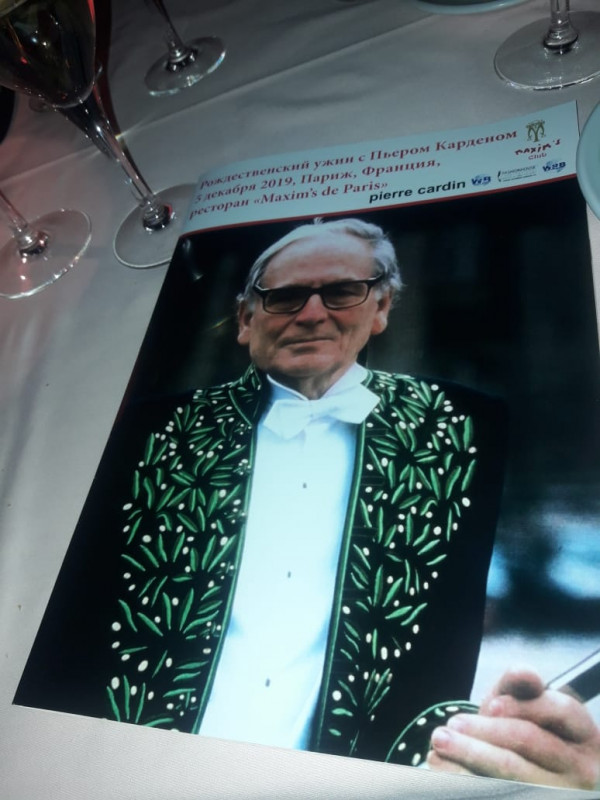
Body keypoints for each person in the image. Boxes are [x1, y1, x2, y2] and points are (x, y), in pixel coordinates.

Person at [15, 218, 600, 789]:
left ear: (381, 309)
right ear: (246, 320)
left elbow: (442, 635)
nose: (313, 313)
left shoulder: (456, 427)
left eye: (341, 292)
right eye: (285, 296)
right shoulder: (155, 431)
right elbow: (76, 617)